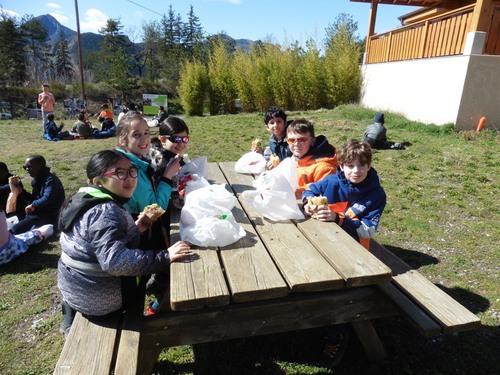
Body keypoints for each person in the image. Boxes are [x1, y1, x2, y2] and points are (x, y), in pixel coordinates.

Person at [57, 150, 190, 334]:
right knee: (168, 266)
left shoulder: (82, 198)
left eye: (131, 171)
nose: (129, 178)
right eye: (119, 173)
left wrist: (135, 230)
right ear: (97, 181)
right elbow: (115, 261)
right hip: (102, 300)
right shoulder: (105, 212)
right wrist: (164, 256)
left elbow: (95, 244)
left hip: (76, 290)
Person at [302, 139, 386, 368]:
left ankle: (335, 336)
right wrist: (307, 202)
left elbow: (368, 230)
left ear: (369, 166)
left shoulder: (376, 194)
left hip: (357, 252)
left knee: (341, 295)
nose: (356, 171)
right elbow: (310, 189)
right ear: (340, 166)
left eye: (361, 165)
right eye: (350, 165)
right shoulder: (331, 180)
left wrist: (339, 219)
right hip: (323, 243)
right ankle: (308, 321)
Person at [8, 155, 66, 235]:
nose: (27, 170)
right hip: (39, 210)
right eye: (25, 167)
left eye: (29, 167)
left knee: (15, 229)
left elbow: (48, 198)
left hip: (50, 213)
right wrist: (22, 192)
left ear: (41, 166)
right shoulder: (38, 179)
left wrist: (33, 205)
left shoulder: (50, 180)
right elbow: (35, 198)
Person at [286, 118, 338, 197]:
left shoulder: (324, 168)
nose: (296, 144)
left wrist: (294, 192)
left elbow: (323, 196)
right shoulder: (293, 159)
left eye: (302, 139)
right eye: (292, 140)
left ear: (312, 141)